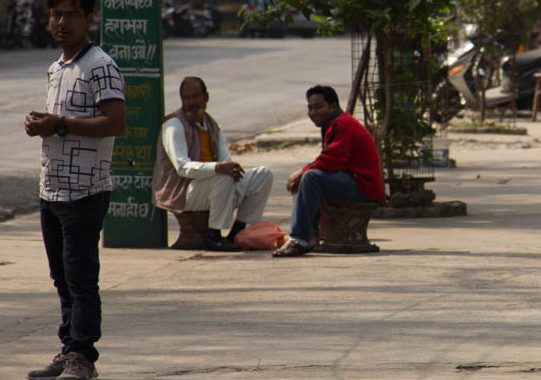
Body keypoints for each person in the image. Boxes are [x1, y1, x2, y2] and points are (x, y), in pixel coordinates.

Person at [23, 0, 126, 380]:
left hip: (85, 192)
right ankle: (68, 348)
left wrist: (61, 125)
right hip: (52, 189)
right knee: (62, 277)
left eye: (71, 14)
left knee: (81, 277)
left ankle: (83, 355)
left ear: (89, 19)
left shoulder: (99, 64)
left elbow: (115, 123)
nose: (62, 22)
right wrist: (41, 125)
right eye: (56, 14)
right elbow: (59, 122)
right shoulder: (58, 67)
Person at [153, 75, 273, 251]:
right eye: (187, 98)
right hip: (182, 190)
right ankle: (213, 236)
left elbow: (225, 159)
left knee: (263, 175)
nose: (192, 102)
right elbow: (182, 167)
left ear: (206, 97)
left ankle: (237, 233)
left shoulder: (212, 125)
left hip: (211, 187)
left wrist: (228, 168)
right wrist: (218, 168)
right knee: (222, 175)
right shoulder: (174, 125)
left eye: (196, 96)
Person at [274, 85, 385, 258]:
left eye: (318, 107)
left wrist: (303, 171)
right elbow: (329, 159)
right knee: (307, 177)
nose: (313, 112)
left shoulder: (341, 124)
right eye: (310, 108)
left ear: (333, 107)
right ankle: (310, 235)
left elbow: (331, 162)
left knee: (310, 177)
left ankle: (299, 239)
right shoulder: (334, 123)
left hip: (363, 187)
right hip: (353, 181)